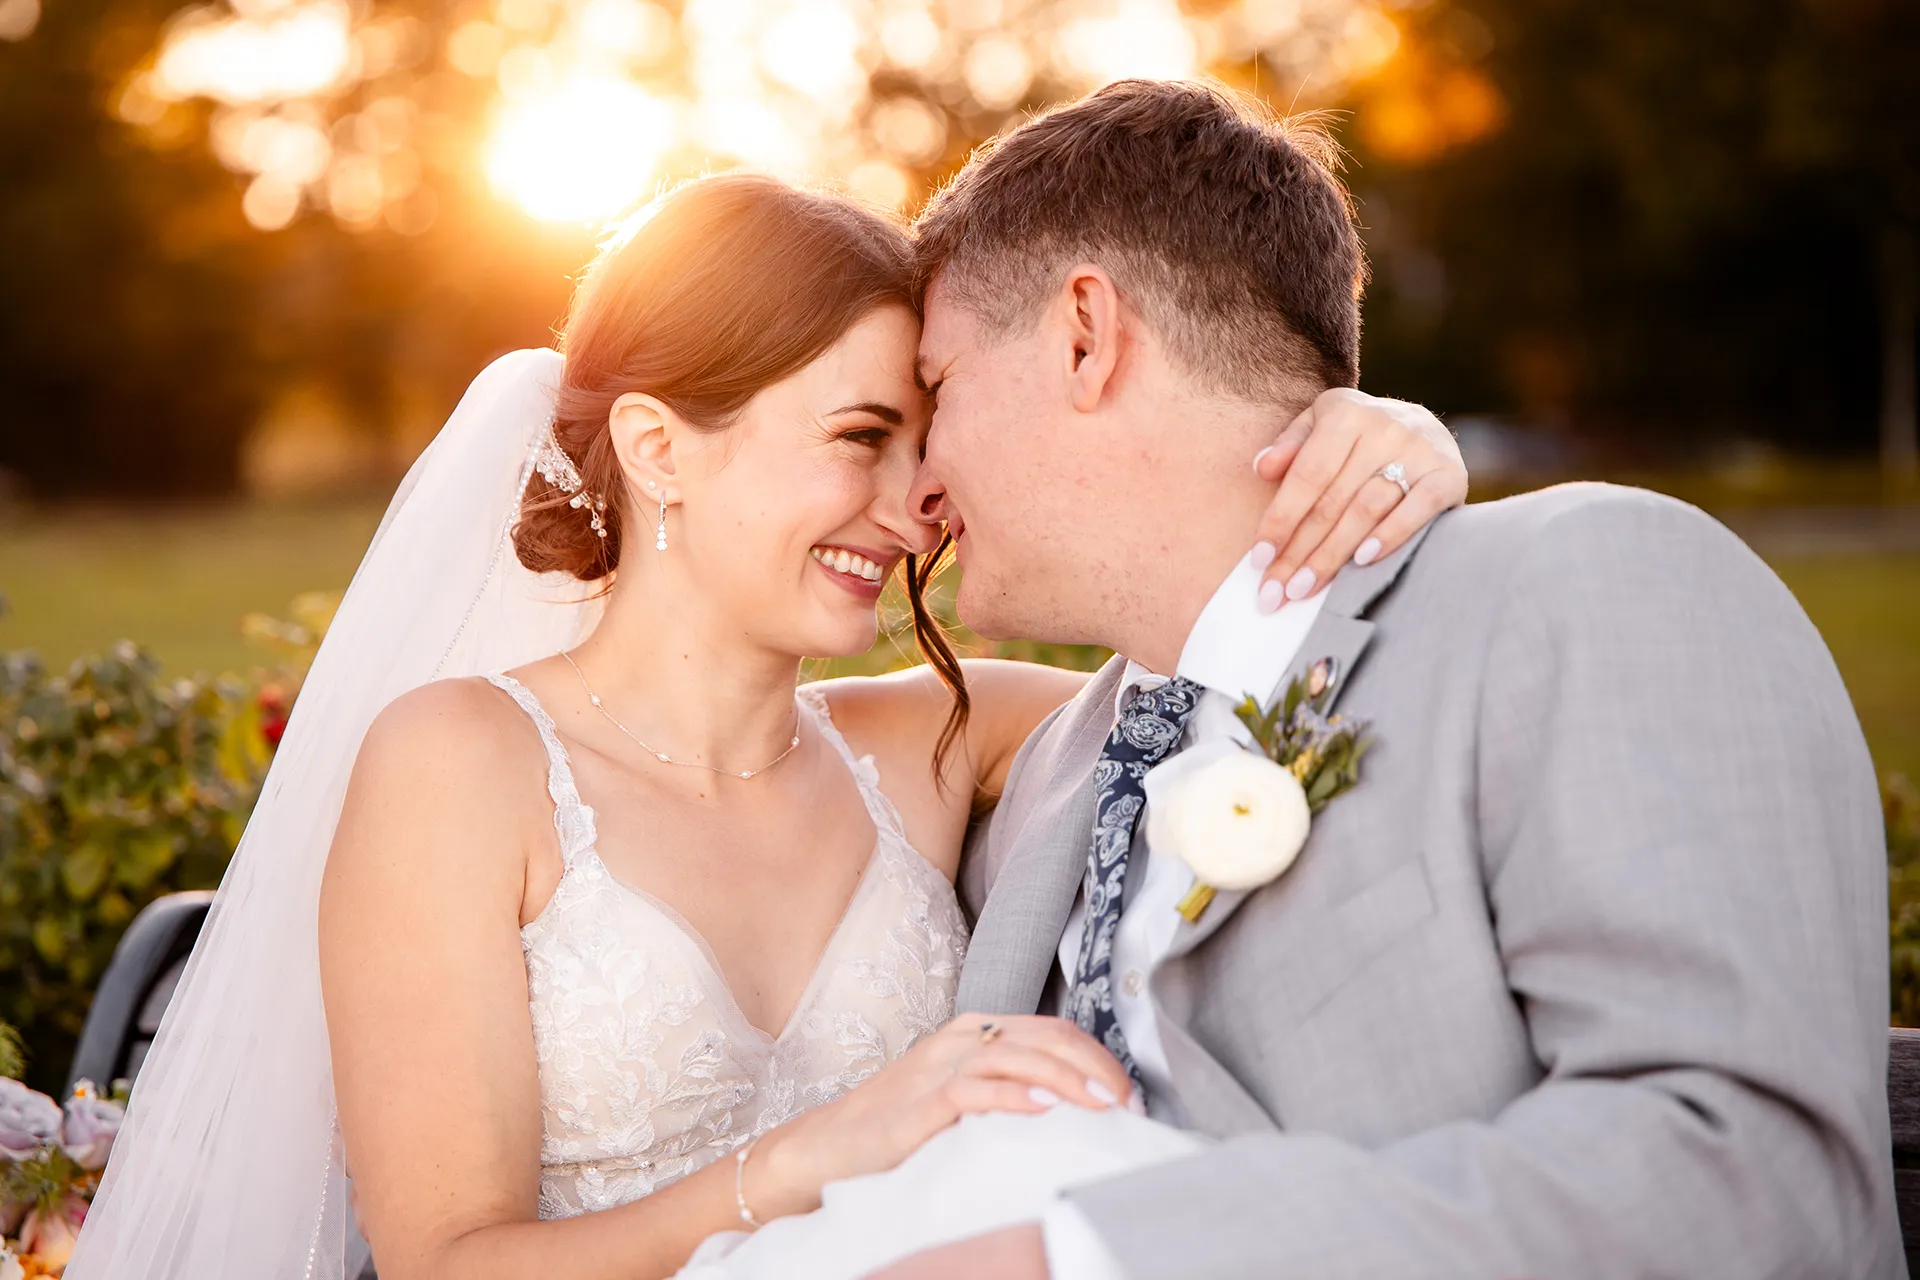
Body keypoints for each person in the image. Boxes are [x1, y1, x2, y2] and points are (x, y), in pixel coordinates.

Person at [63, 172, 1469, 1280]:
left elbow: (1237, 667)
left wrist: (1377, 444)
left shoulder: (934, 742)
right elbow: (452, 1264)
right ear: (662, 449)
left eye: (923, 437)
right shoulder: (461, 766)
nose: (918, 500)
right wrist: (819, 1156)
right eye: (862, 437)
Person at [869, 78, 1899, 1278]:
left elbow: (1752, 1181)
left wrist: (1086, 1256)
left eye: (935, 393)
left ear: (1086, 336)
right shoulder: (1044, 768)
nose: (920, 488)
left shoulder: (1583, 591)